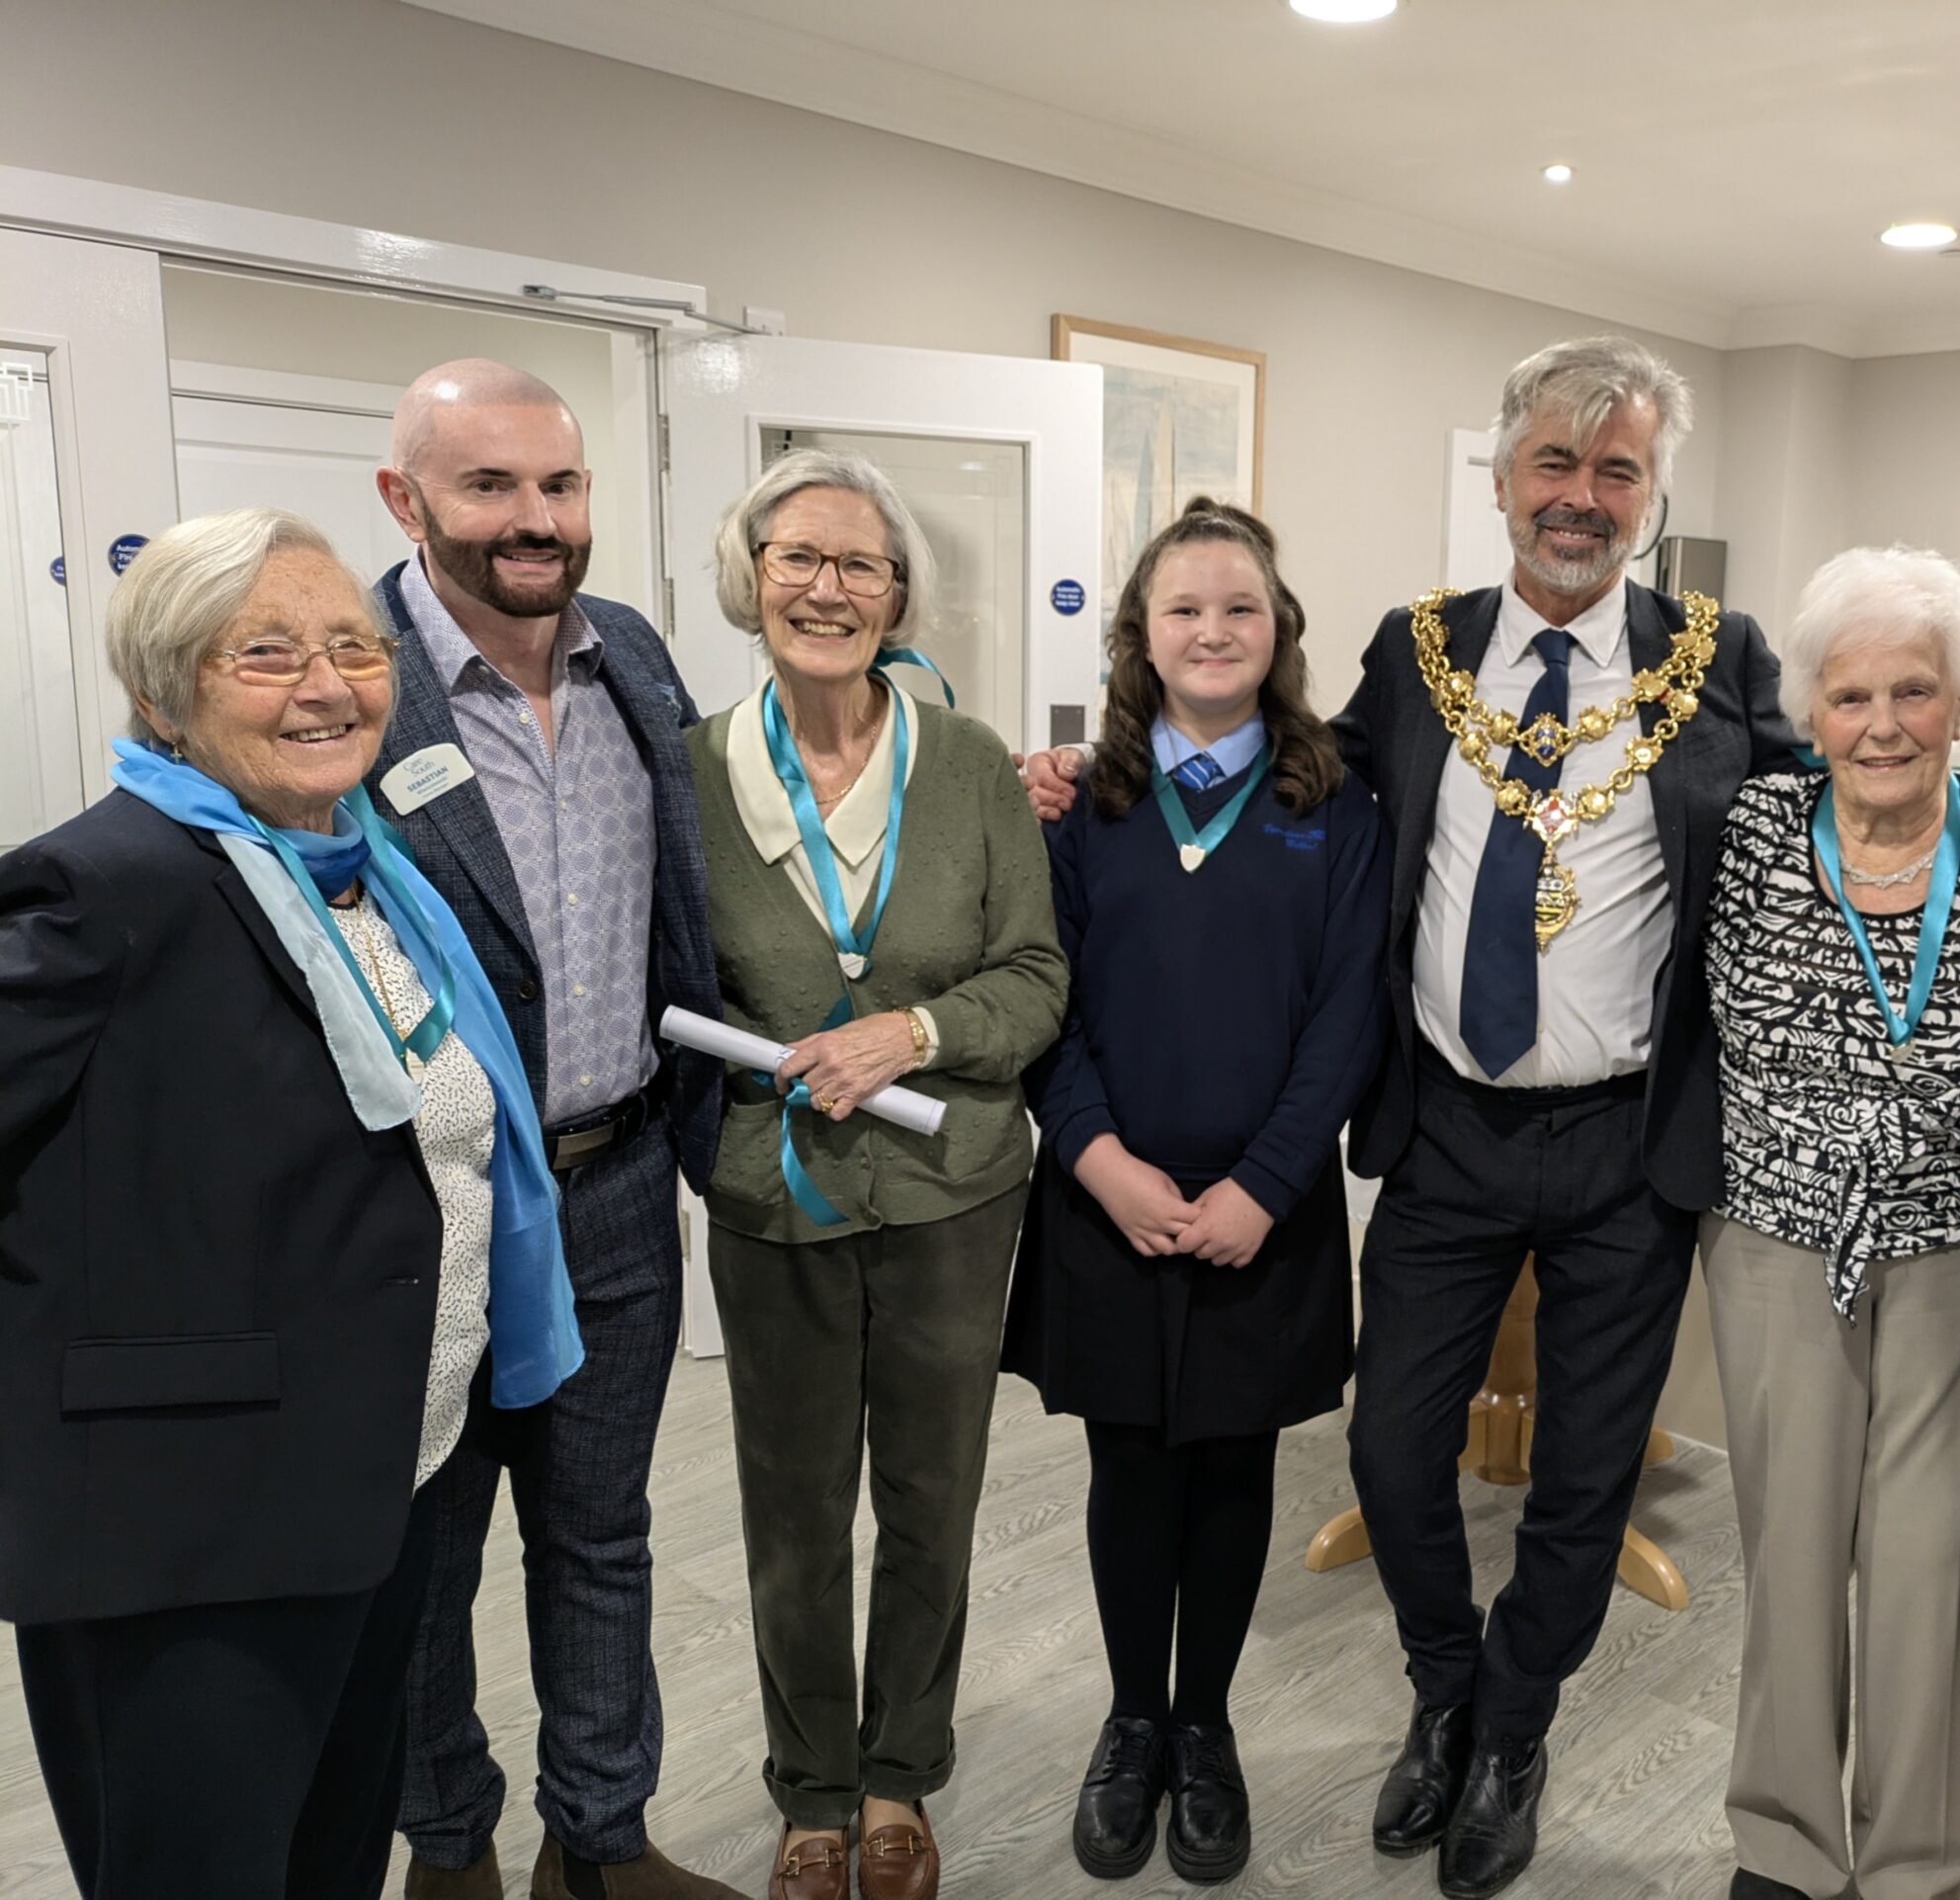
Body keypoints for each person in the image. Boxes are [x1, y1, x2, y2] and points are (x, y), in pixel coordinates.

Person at [1028, 335, 1960, 1899]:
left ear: (1654, 492)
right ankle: (1446, 1687)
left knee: (1586, 1482)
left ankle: (1514, 1729)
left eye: (1618, 471)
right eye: (1554, 463)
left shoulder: (1717, 660)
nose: (1581, 498)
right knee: (1393, 1452)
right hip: (1449, 1127)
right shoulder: (1416, 651)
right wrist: (1069, 762)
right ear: (1503, 475)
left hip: (1630, 1144)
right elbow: (1272, 763)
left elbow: (1873, 759)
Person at [0, 509, 579, 1900]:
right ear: (164, 689)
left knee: (327, 1859)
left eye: (350, 645)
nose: (327, 684)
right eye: (265, 652)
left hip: (376, 1482)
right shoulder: (107, 885)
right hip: (184, 1528)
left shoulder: (367, 872)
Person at [369, 362, 736, 1900]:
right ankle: (448, 1847)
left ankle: (599, 1838)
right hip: (428, 1208)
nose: (536, 519)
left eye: (560, 485)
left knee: (603, 1536)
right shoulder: (348, 679)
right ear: (407, 499)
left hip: (618, 1186)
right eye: (491, 486)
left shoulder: (633, 655)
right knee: (422, 1563)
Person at [687, 447, 1065, 1900]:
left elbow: (1034, 978)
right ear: (753, 577)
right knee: (791, 1510)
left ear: (898, 593)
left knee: (931, 1495)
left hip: (955, 1195)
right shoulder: (693, 768)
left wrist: (910, 1029)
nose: (828, 588)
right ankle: (812, 1787)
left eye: (861, 565)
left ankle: (903, 1772)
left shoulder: (967, 764)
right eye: (800, 558)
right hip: (773, 1195)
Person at [1004, 499, 1391, 1885]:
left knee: (1233, 1468)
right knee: (1129, 1467)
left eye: (1241, 608)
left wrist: (1269, 1185)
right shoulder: (1075, 799)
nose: (1214, 630)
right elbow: (1038, 993)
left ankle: (1207, 1723)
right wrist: (1097, 1157)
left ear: (1280, 632)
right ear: (1141, 636)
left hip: (1261, 1215)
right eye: (1184, 609)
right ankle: (1132, 1719)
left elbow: (1350, 1014)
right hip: (1103, 1198)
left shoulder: (1336, 803)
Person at [1701, 548, 1960, 1900]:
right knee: (1788, 1549)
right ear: (1811, 711)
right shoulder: (1748, 831)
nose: (1883, 722)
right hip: (1780, 1239)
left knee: (1935, 1564)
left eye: (1916, 689)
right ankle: (1785, 1846)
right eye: (1851, 696)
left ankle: (1914, 1862)